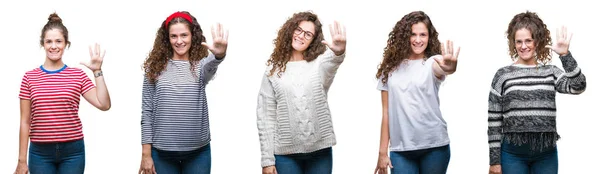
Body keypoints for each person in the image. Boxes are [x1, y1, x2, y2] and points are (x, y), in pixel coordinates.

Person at [487, 11, 586, 174]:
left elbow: (578, 86)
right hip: (512, 155)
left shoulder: (550, 72)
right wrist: (494, 161)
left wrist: (565, 55)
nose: (523, 46)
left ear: (537, 41)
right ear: (513, 43)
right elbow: (494, 121)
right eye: (518, 41)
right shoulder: (503, 75)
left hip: (546, 155)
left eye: (528, 40)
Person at [14, 12, 111, 174]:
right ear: (43, 44)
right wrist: (21, 161)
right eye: (49, 41)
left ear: (66, 43)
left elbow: (104, 104)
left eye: (58, 41)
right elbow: (25, 122)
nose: (54, 46)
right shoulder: (29, 78)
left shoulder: (77, 75)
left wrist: (97, 72)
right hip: (40, 153)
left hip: (73, 152)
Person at [256, 11, 346, 174]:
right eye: (298, 29)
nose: (301, 36)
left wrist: (339, 52)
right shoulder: (272, 71)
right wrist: (267, 160)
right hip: (285, 155)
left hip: (320, 153)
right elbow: (266, 117)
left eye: (308, 34)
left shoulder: (320, 64)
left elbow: (333, 62)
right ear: (290, 30)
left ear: (313, 40)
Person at [138, 11, 228, 174]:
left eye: (184, 35)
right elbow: (147, 111)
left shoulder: (201, 66)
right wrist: (146, 154)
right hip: (162, 153)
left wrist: (219, 54)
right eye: (174, 36)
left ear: (192, 36)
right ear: (167, 39)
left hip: (198, 153)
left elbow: (212, 65)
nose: (179, 41)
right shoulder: (155, 68)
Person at [373, 11, 460, 174]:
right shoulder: (389, 70)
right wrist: (382, 152)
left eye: (423, 35)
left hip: (435, 147)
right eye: (413, 34)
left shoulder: (431, 62)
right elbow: (386, 112)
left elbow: (445, 68)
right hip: (401, 150)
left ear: (429, 37)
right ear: (405, 36)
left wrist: (450, 66)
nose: (418, 40)